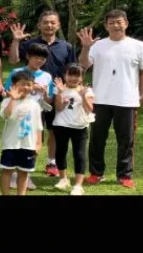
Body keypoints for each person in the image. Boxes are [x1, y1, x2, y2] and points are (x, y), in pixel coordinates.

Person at [77, 9, 143, 189]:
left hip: (127, 100)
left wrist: (142, 94)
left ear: (126, 23)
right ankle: (96, 173)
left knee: (126, 140)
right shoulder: (97, 45)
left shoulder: (139, 47)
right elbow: (84, 65)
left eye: (119, 22)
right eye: (111, 22)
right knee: (97, 138)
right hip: (100, 99)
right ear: (106, 25)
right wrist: (85, 47)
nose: (116, 25)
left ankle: (124, 175)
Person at [9, 10, 77, 177]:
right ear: (39, 25)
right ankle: (25, 163)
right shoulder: (30, 44)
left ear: (58, 25)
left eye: (53, 22)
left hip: (55, 95)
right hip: (30, 96)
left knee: (54, 130)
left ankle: (51, 162)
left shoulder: (66, 46)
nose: (49, 25)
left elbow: (73, 70)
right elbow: (13, 60)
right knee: (30, 130)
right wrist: (16, 41)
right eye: (45, 22)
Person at [3, 43, 55, 190]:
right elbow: (8, 92)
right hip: (18, 112)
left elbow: (49, 100)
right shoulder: (17, 72)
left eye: (43, 58)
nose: (39, 60)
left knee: (33, 143)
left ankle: (26, 174)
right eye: (36, 57)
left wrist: (45, 93)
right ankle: (12, 174)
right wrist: (29, 87)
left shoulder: (46, 76)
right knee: (15, 140)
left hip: (36, 113)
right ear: (28, 56)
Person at [52, 64, 95, 195]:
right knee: (60, 152)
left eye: (77, 75)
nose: (73, 78)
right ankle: (63, 179)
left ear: (82, 77)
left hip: (79, 127)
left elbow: (89, 109)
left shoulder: (86, 90)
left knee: (80, 155)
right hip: (61, 125)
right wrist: (59, 92)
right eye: (70, 74)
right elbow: (58, 108)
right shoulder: (59, 88)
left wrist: (82, 96)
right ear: (65, 75)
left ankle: (78, 185)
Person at [0, 70, 43, 195]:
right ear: (14, 85)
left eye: (29, 84)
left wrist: (38, 143)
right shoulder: (7, 101)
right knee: (7, 171)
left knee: (24, 172)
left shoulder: (35, 105)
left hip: (28, 144)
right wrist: (13, 99)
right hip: (10, 144)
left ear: (33, 86)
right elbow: (7, 116)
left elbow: (38, 126)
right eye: (22, 84)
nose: (26, 87)